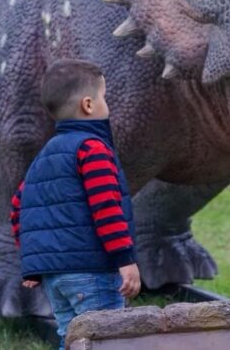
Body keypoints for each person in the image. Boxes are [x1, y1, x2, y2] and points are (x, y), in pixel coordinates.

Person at [10, 59, 141, 349]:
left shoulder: (46, 155)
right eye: (103, 97)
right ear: (88, 105)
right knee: (104, 340)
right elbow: (106, 208)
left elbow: (19, 207)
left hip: (56, 278)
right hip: (92, 273)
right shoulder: (92, 150)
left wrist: (36, 263)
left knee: (71, 340)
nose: (107, 104)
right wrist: (126, 261)